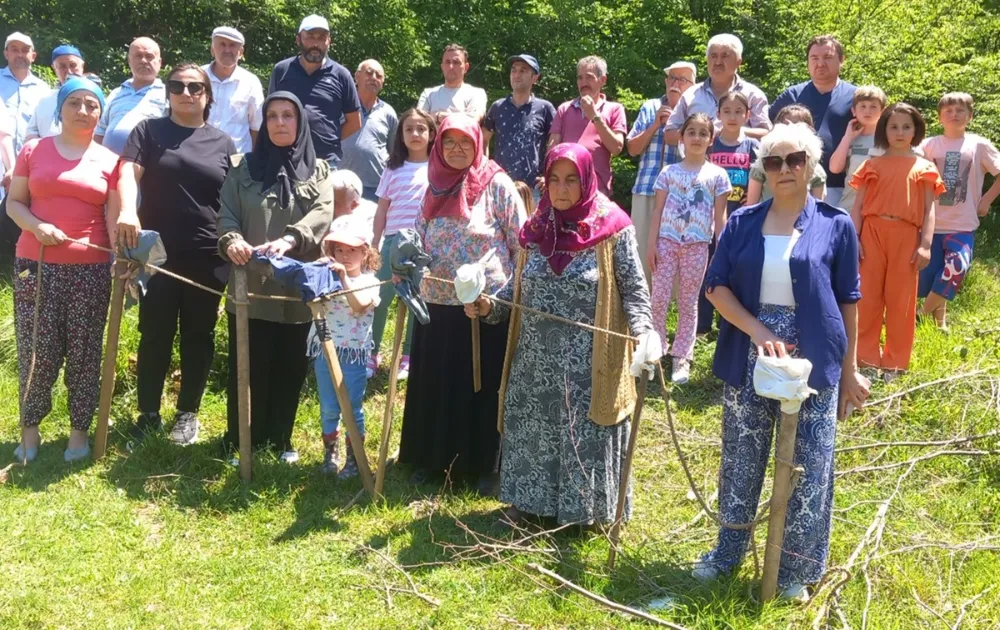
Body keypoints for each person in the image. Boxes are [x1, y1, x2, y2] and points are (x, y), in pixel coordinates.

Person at [695, 122, 867, 601]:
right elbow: (717, 286)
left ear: (811, 165)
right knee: (741, 459)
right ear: (763, 170)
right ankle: (726, 555)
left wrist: (850, 369)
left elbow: (849, 300)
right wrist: (759, 331)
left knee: (810, 465)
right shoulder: (742, 222)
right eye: (774, 161)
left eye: (795, 160)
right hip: (751, 348)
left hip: (816, 351)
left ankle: (796, 570)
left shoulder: (836, 223)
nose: (785, 169)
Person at [464, 143, 656, 524]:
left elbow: (634, 290)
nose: (562, 189)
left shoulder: (613, 228)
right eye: (554, 180)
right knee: (532, 429)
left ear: (587, 180)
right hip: (534, 361)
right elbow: (518, 291)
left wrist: (645, 334)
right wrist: (488, 306)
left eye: (571, 180)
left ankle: (584, 512)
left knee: (582, 431)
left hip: (590, 364)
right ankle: (529, 504)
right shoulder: (535, 230)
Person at [398, 114, 526, 491]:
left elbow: (522, 244)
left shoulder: (497, 184)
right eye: (449, 142)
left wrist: (503, 295)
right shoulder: (433, 184)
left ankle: (484, 464)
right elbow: (420, 235)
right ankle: (432, 460)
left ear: (478, 143)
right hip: (437, 304)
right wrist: (407, 262)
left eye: (464, 142)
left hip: (485, 308)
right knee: (438, 383)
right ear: (439, 146)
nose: (456, 150)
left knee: (481, 384)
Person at [116, 63, 237, 446]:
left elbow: (233, 198)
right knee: (154, 332)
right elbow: (125, 173)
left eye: (195, 87)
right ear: (168, 92)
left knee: (198, 335)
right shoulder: (148, 131)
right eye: (178, 86)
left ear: (207, 95)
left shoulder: (223, 142)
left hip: (207, 254)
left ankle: (188, 415)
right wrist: (125, 210)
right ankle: (148, 413)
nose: (186, 92)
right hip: (157, 254)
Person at [6, 77, 120, 463]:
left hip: (90, 271)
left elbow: (115, 215)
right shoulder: (33, 150)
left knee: (86, 354)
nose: (84, 110)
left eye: (92, 105)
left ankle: (78, 435)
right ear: (60, 108)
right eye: (75, 103)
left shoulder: (109, 160)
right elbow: (14, 204)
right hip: (35, 268)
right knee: (37, 351)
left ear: (100, 113)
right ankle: (30, 433)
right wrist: (37, 226)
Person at [217, 91, 334, 464]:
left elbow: (322, 212)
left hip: (295, 288)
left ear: (300, 123)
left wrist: (290, 239)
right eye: (272, 116)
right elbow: (226, 214)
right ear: (263, 123)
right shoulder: (242, 168)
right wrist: (232, 240)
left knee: (289, 366)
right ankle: (241, 440)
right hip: (248, 285)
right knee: (248, 366)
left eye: (288, 115)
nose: (280, 123)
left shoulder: (320, 171)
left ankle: (281, 439)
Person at [849, 103, 944, 380]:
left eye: (906, 127)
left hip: (906, 236)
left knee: (901, 299)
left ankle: (895, 362)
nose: (900, 132)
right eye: (893, 126)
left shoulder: (924, 167)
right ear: (884, 130)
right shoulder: (871, 164)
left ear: (916, 130)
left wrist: (925, 244)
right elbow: (857, 207)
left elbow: (929, 210)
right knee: (867, 297)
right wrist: (855, 238)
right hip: (872, 233)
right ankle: (865, 358)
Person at [648, 113, 731, 383]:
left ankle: (682, 356)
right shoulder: (668, 173)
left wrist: (722, 251)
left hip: (697, 246)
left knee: (688, 302)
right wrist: (651, 244)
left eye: (702, 133)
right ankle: (655, 351)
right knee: (658, 298)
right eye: (691, 132)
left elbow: (720, 218)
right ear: (681, 137)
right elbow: (658, 210)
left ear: (711, 139)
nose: (696, 138)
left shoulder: (717, 176)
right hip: (666, 243)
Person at [918, 93, 1000, 329]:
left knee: (956, 268)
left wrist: (986, 200)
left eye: (960, 110)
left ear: (970, 116)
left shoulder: (979, 144)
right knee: (935, 275)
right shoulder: (929, 144)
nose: (954, 115)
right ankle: (940, 324)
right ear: (940, 117)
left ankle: (921, 315)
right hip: (930, 223)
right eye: (948, 111)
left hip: (962, 224)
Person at [309, 215, 381, 477]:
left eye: (352, 250)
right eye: (339, 249)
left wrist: (344, 279)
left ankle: (354, 460)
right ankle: (330, 454)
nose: (345, 255)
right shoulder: (326, 277)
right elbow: (311, 302)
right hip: (325, 350)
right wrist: (314, 275)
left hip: (353, 353)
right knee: (328, 405)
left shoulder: (369, 281)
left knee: (351, 407)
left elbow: (359, 306)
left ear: (365, 252)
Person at [370, 108, 436, 380]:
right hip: (391, 242)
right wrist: (374, 244)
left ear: (432, 134)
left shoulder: (437, 167)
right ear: (400, 135)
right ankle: (371, 353)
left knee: (416, 300)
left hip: (422, 246)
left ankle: (410, 355)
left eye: (421, 128)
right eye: (409, 129)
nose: (415, 134)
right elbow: (381, 209)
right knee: (379, 299)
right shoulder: (392, 167)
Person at [626, 61, 697, 280]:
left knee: (675, 261)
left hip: (681, 196)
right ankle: (640, 309)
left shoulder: (695, 112)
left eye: (682, 79)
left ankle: (669, 312)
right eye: (672, 78)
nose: (675, 84)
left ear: (693, 85)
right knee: (639, 257)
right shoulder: (650, 106)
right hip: (646, 190)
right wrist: (656, 124)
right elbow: (632, 148)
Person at [768, 35, 857, 206]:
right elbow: (767, 130)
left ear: (842, 60)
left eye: (828, 57)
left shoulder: (856, 98)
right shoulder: (792, 96)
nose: (820, 63)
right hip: (796, 185)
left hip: (843, 187)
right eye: (814, 58)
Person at [268, 15, 361, 165]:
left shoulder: (342, 75)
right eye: (310, 37)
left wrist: (329, 139)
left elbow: (354, 121)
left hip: (325, 161)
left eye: (322, 38)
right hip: (284, 158)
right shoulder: (282, 70)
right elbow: (270, 113)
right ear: (298, 39)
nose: (316, 44)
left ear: (329, 42)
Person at [666, 34, 770, 142]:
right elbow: (669, 135)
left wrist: (732, 131)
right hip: (698, 159)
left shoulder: (753, 95)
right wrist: (698, 133)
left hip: (740, 158)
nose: (718, 62)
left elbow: (766, 133)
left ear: (738, 62)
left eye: (725, 56)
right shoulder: (690, 95)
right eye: (714, 56)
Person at [549, 56, 627, 196]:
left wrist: (595, 116)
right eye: (580, 78)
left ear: (602, 80)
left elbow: (616, 148)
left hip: (598, 189)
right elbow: (553, 150)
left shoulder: (615, 109)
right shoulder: (564, 109)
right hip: (566, 189)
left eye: (589, 77)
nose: (583, 83)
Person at [482, 54, 555, 190]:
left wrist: (550, 174)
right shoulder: (498, 107)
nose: (516, 74)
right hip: (500, 186)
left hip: (534, 188)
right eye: (514, 70)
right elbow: (483, 140)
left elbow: (556, 143)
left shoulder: (545, 108)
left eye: (523, 70)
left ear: (535, 78)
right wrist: (484, 168)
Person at [96, 37, 166, 156]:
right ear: (129, 61)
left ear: (159, 62)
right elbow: (100, 132)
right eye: (138, 56)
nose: (143, 61)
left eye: (149, 56)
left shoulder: (168, 95)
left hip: (146, 166)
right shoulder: (116, 93)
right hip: (108, 164)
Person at [340, 59, 398, 202]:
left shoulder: (388, 113)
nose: (374, 78)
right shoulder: (340, 106)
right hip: (341, 183)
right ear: (357, 76)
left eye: (378, 76)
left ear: (382, 82)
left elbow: (394, 151)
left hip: (376, 187)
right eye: (369, 73)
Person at [746, 105, 827, 203]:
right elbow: (751, 206)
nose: (792, 129)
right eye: (786, 125)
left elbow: (818, 209)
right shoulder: (764, 165)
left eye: (798, 125)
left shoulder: (816, 169)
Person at [203, 26, 264, 154]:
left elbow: (257, 127)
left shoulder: (251, 82)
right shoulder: (198, 76)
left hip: (236, 160)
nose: (227, 50)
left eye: (232, 45)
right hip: (199, 154)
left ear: (241, 52)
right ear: (212, 50)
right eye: (222, 44)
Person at [828, 85, 887, 214]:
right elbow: (834, 168)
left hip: (879, 211)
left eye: (873, 106)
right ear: (854, 111)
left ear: (883, 111)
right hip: (849, 207)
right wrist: (847, 137)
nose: (868, 111)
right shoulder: (849, 139)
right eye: (863, 106)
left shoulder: (889, 140)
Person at [1, 32, 51, 155]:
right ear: (6, 54)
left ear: (33, 56)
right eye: (14, 50)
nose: (20, 54)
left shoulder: (44, 89)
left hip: (30, 161)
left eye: (25, 50)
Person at [26, 45, 86, 141]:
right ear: (54, 68)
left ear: (82, 66)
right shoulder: (45, 99)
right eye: (62, 66)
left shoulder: (94, 100)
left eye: (73, 65)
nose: (69, 71)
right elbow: (31, 133)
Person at [417, 44, 488, 122]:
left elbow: (473, 120)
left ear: (466, 67)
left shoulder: (477, 93)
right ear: (442, 67)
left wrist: (438, 116)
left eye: (456, 62)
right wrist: (462, 116)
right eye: (447, 62)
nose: (451, 66)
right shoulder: (428, 94)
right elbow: (420, 121)